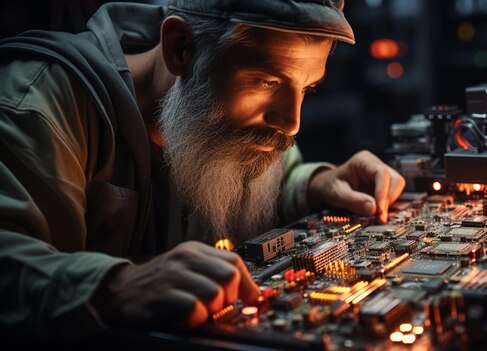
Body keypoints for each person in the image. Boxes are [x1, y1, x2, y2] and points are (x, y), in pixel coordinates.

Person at [0, 0, 405, 339]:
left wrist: (320, 183)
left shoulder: (224, 118)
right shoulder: (38, 102)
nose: (292, 122)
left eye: (305, 88)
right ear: (180, 48)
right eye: (267, 82)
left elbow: (276, 180)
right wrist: (113, 288)